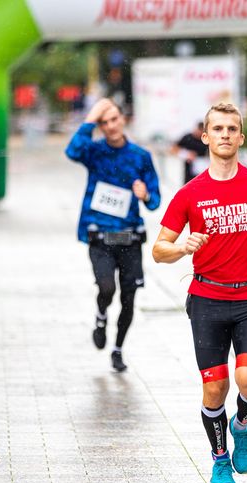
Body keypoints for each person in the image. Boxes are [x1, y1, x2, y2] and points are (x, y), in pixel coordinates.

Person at [152, 103, 247, 483]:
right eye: (218, 128)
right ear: (206, 137)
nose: (225, 134)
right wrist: (182, 247)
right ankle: (219, 459)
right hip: (207, 300)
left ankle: (241, 425)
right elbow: (159, 249)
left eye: (232, 128)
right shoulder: (190, 194)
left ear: (241, 137)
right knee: (215, 388)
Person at [66, 97, 161, 371]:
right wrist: (90, 118)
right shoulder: (94, 151)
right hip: (100, 235)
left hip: (130, 236)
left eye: (114, 119)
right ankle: (100, 315)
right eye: (104, 122)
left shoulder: (140, 156)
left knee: (129, 297)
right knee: (107, 287)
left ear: (123, 119)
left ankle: (118, 349)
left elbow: (155, 200)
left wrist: (146, 195)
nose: (110, 126)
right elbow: (72, 151)